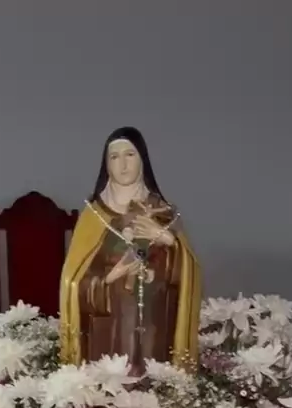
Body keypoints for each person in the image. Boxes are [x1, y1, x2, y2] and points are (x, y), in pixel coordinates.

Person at [59, 126, 201, 372]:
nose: (123, 165)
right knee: (112, 380)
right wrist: (113, 275)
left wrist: (167, 240)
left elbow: (189, 275)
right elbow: (74, 281)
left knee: (154, 381)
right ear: (106, 166)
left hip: (156, 324)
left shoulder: (163, 212)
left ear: (142, 160)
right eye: (114, 157)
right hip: (108, 329)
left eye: (130, 155)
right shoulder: (94, 216)